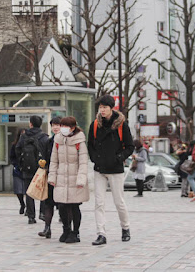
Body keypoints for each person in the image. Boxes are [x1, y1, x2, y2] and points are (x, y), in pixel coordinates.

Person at [87, 94, 133, 245]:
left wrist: (118, 158)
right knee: (99, 202)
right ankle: (101, 233)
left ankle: (125, 228)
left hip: (115, 169)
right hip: (99, 168)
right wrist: (95, 158)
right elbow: (91, 146)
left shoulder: (121, 125)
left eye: (105, 107)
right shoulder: (95, 125)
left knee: (119, 201)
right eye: (100, 107)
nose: (102, 110)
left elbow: (130, 147)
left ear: (111, 108)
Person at [48, 116, 89, 243]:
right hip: (61, 178)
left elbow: (83, 162)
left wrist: (81, 179)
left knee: (74, 206)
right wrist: (52, 177)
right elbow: (54, 160)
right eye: (62, 126)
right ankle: (66, 229)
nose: (62, 129)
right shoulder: (58, 140)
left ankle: (75, 232)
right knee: (61, 206)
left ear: (72, 128)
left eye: (65, 127)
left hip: (75, 178)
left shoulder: (79, 141)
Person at [16, 116, 48, 224]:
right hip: (41, 168)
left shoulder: (24, 136)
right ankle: (42, 213)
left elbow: (17, 150)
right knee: (43, 190)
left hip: (27, 169)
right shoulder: (44, 137)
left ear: (30, 124)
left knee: (29, 192)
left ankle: (31, 216)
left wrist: (21, 164)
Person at [38, 117, 61, 238]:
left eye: (58, 125)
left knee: (63, 204)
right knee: (48, 203)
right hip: (50, 175)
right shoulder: (49, 141)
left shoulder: (66, 140)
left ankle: (67, 229)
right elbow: (46, 157)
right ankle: (47, 228)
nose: (55, 127)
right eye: (53, 125)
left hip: (63, 177)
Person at [10, 128, 26, 215]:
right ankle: (22, 204)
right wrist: (15, 165)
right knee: (18, 190)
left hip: (28, 169)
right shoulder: (14, 145)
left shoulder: (30, 144)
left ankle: (29, 208)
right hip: (17, 170)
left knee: (28, 191)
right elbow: (11, 157)